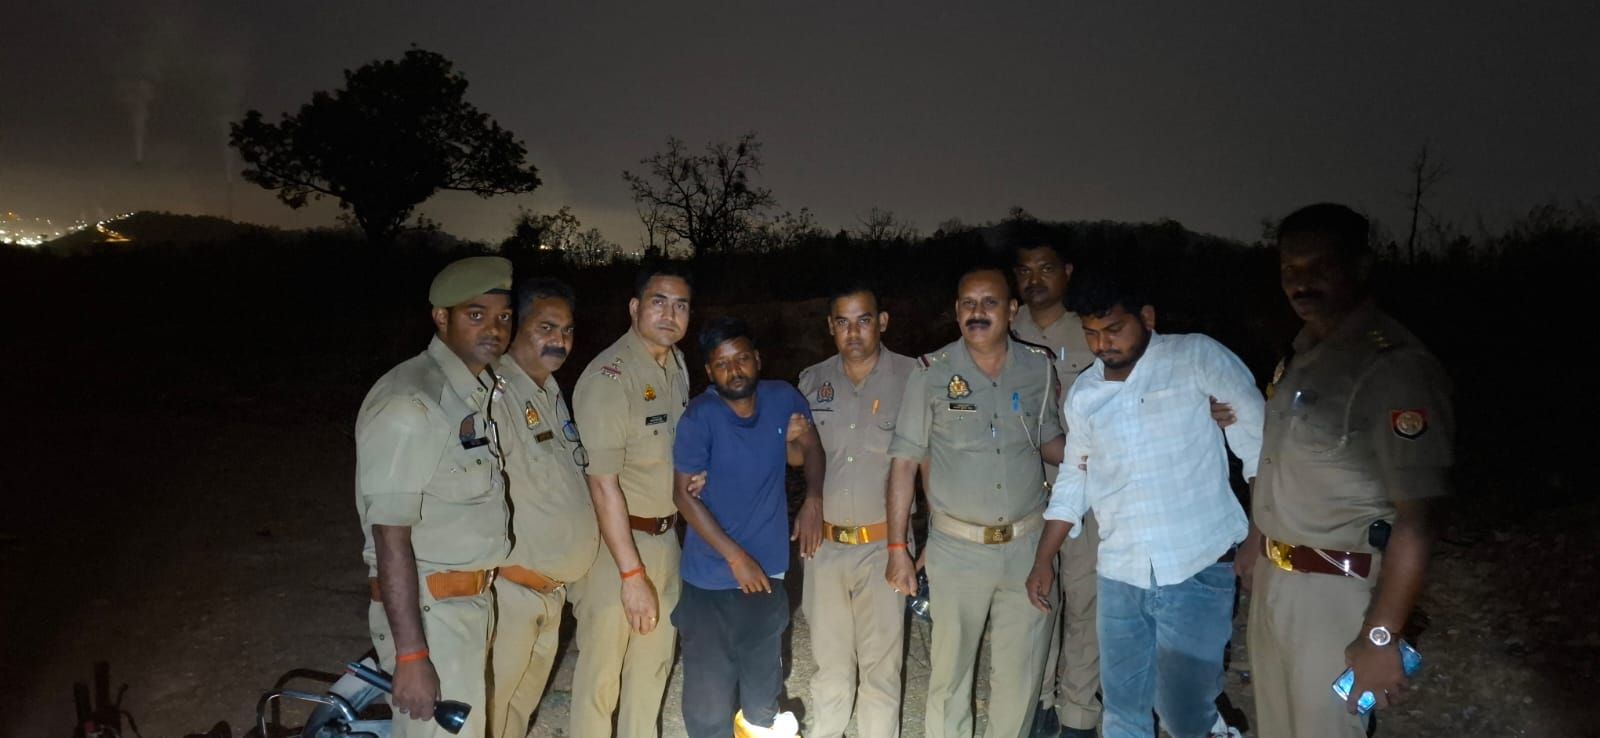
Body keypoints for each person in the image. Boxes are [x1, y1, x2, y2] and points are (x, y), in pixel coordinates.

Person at [1242, 203, 1454, 738]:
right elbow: (1280, 465)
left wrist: (1381, 636)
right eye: (1290, 269)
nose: (1301, 282)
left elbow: (1419, 518)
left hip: (1338, 592)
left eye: (1320, 266)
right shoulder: (1300, 355)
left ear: (1360, 266)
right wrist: (1256, 540)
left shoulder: (1393, 367)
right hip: (1275, 581)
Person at [1030, 267, 1259, 738]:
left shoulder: (1195, 358)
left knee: (1184, 713)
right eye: (1091, 333)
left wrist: (1260, 536)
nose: (1102, 344)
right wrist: (1044, 557)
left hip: (1195, 565)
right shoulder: (1086, 394)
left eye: (1114, 329)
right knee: (1122, 710)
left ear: (1147, 318)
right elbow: (1074, 475)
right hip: (1121, 571)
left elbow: (1258, 445)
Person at [885, 265, 1066, 738]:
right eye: (968, 303)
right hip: (957, 550)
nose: (977, 312)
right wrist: (897, 548)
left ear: (1012, 310)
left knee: (1020, 678)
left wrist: (1101, 453)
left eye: (990, 303)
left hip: (1028, 547)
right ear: (956, 310)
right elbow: (904, 463)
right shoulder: (931, 372)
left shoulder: (1038, 367)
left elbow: (1048, 440)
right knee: (950, 678)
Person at [354, 255, 515, 737]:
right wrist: (411, 655)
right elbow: (389, 537)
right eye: (476, 314)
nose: (494, 328)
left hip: (466, 607)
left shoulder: (469, 391)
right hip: (431, 617)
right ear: (441, 317)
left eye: (504, 316)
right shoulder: (411, 401)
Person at [568, 262, 694, 737]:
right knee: (601, 679)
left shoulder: (676, 366)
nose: (670, 315)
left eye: (681, 305)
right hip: (615, 549)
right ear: (635, 308)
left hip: (665, 539)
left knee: (652, 671)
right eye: (659, 302)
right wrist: (631, 575)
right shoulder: (610, 378)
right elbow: (602, 485)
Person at [795, 285, 919, 738]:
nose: (853, 332)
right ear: (831, 327)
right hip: (825, 545)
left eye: (863, 320)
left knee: (881, 669)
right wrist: (787, 440)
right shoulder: (811, 382)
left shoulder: (914, 377)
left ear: (881, 322)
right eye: (843, 322)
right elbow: (798, 456)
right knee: (829, 663)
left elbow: (929, 461)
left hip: (884, 546)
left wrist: (907, 548)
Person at [488, 278, 599, 737]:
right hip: (509, 593)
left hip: (548, 597)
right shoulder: (494, 395)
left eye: (567, 330)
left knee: (516, 714)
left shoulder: (550, 391)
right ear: (515, 326)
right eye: (546, 327)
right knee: (489, 711)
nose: (560, 340)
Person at [1006, 224, 1101, 738]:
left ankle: (1079, 712)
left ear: (1066, 272)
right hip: (1023, 491)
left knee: (1084, 600)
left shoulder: (1090, 329)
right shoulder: (1004, 328)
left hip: (1085, 490)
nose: (1034, 280)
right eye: (1024, 270)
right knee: (1036, 602)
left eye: (1045, 268)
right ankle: (1039, 704)